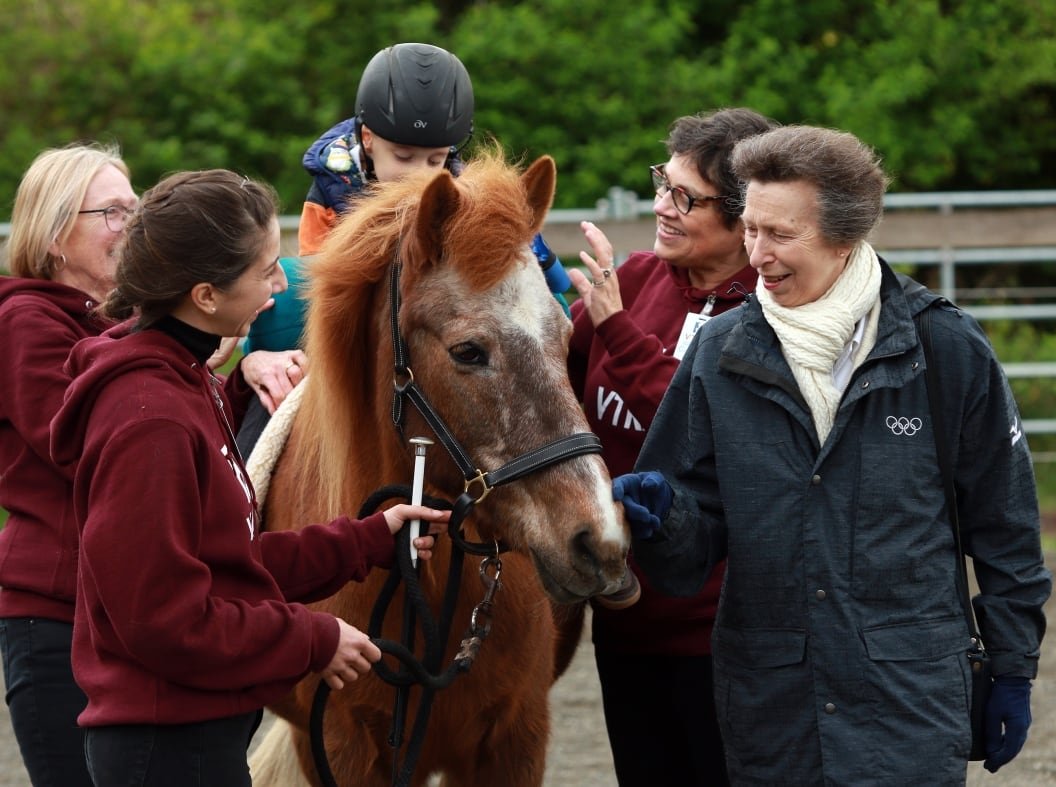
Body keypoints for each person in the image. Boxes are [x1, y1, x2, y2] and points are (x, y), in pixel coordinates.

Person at [613, 125, 1052, 784]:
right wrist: (663, 520)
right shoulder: (718, 355)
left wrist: (1014, 665)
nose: (756, 253)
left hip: (909, 703)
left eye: (780, 235)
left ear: (844, 236)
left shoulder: (946, 351)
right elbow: (689, 554)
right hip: (772, 712)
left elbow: (1006, 524)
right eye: (751, 229)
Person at [46, 169, 451, 786]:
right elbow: (164, 618)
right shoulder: (148, 420)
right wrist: (312, 639)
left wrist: (367, 540)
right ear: (205, 295)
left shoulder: (183, 385)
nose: (282, 281)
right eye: (265, 270)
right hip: (167, 750)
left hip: (193, 735)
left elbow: (227, 563)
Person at [566, 107, 779, 787]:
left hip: (721, 631)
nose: (663, 205)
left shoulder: (771, 311)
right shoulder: (631, 280)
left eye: (687, 197)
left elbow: (716, 420)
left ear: (746, 216)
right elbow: (551, 387)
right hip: (626, 611)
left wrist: (619, 333)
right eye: (664, 183)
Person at [234, 41, 571, 457]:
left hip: (436, 332)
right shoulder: (332, 189)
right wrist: (258, 352)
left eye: (435, 161)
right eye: (404, 157)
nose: (421, 177)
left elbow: (544, 289)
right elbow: (319, 285)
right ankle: (246, 476)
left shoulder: (463, 196)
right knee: (275, 344)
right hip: (367, 329)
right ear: (368, 139)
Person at [0, 142, 135, 787]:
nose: (132, 227)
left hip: (120, 607)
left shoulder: (120, 327)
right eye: (112, 212)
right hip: (54, 617)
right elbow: (79, 443)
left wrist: (248, 370)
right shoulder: (24, 321)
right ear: (56, 233)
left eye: (136, 209)